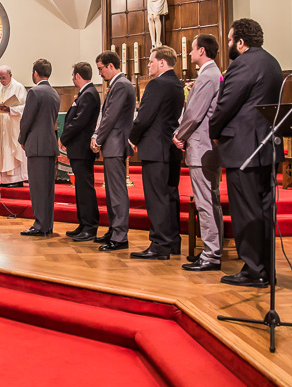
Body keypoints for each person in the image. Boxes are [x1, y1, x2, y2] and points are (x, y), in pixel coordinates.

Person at [209, 19, 284, 287]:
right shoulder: (272, 62)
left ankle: (253, 270)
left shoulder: (243, 64)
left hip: (244, 148)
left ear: (241, 42)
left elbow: (227, 103)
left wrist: (213, 130)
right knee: (263, 211)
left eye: (231, 40)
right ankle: (265, 268)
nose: (229, 44)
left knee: (246, 213)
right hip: (266, 147)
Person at [173, 34, 224, 271]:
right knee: (210, 201)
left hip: (202, 146)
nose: (190, 53)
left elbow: (194, 113)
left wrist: (179, 135)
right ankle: (212, 249)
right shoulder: (214, 74)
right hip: (207, 146)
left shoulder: (207, 76)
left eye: (192, 49)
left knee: (205, 202)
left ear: (202, 51)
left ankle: (211, 254)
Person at [128, 46, 184, 259]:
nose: (148, 65)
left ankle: (160, 245)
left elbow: (144, 117)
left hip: (154, 148)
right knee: (170, 196)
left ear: (162, 62)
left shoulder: (157, 84)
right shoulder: (177, 85)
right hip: (170, 148)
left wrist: (133, 138)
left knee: (156, 198)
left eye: (151, 61)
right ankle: (173, 241)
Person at [91, 50, 135, 252]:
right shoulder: (118, 84)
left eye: (101, 69)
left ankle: (120, 236)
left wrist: (98, 139)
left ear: (111, 65)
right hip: (112, 144)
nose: (100, 73)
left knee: (117, 193)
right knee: (111, 193)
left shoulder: (121, 84)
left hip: (116, 143)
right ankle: (113, 230)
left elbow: (110, 116)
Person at [59, 62, 101, 242]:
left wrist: (64, 138)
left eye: (73, 75)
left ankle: (90, 226)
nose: (72, 78)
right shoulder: (86, 93)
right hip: (79, 148)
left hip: (82, 148)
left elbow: (79, 121)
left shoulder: (89, 94)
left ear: (77, 76)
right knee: (81, 188)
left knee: (85, 188)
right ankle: (83, 224)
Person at [18, 59, 61, 237]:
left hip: (37, 145)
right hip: (49, 144)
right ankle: (47, 224)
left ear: (35, 73)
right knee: (48, 188)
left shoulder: (35, 92)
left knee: (37, 188)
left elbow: (27, 119)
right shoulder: (54, 93)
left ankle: (40, 225)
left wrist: (22, 139)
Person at [0, 66, 29, 187]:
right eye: (0, 78)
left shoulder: (18, 87)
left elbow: (25, 107)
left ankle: (17, 180)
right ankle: (5, 180)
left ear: (10, 75)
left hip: (13, 126)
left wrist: (10, 109)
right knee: (3, 151)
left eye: (4, 78)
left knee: (13, 150)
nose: (2, 80)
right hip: (2, 127)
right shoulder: (0, 90)